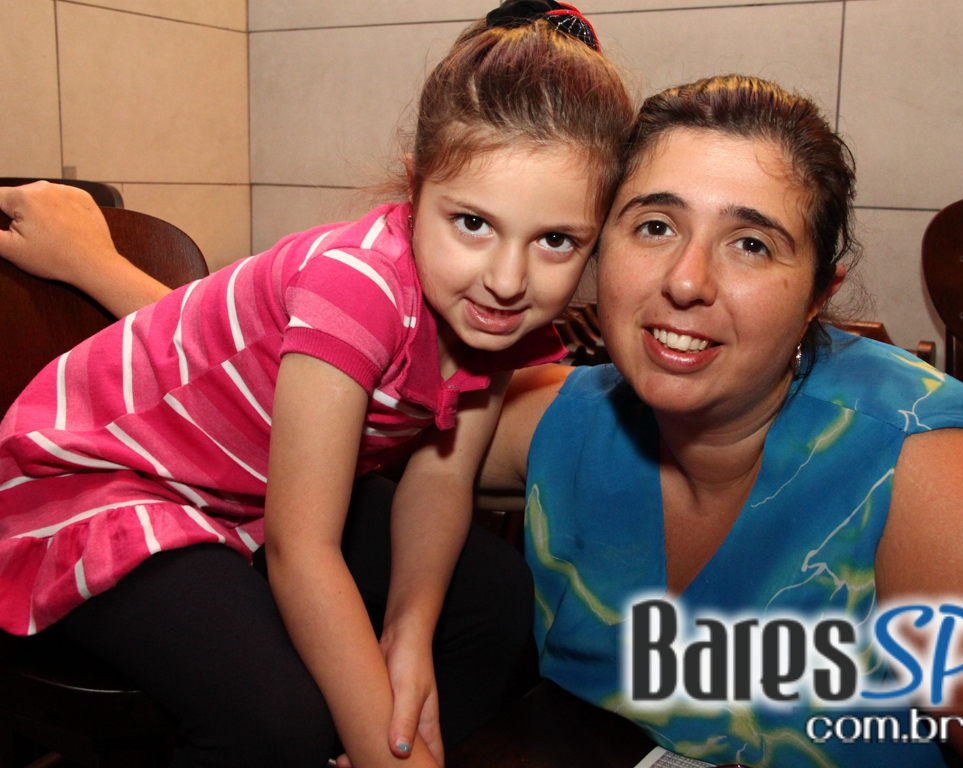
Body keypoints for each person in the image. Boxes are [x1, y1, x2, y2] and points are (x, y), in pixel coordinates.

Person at [0, 4, 633, 768]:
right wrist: (386, 742)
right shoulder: (357, 287)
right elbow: (303, 550)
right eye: (472, 223)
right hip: (105, 478)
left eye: (556, 240)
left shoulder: (490, 317)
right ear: (416, 188)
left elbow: (441, 477)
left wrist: (407, 634)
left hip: (246, 486)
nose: (506, 278)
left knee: (494, 604)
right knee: (278, 720)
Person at [478, 76, 963, 767]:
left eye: (752, 244)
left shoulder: (936, 476)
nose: (686, 280)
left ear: (818, 295)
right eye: (655, 226)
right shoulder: (567, 422)